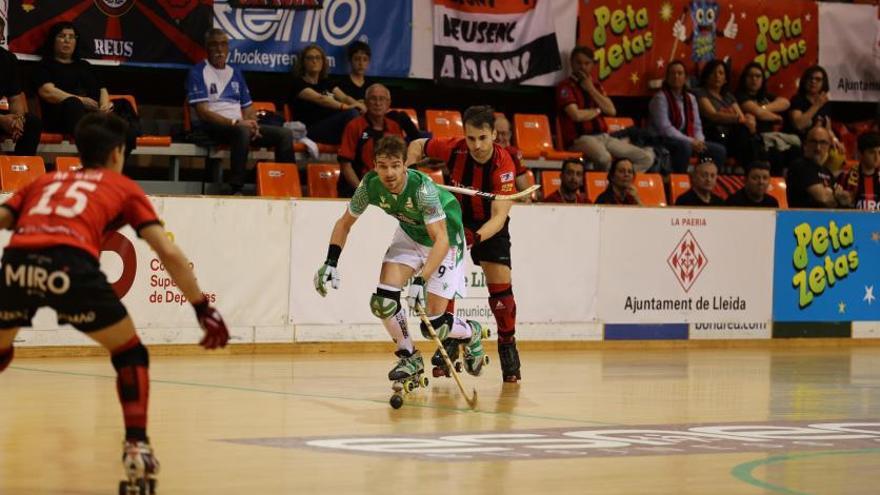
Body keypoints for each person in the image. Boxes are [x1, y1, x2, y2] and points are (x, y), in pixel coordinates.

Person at [0, 113, 229, 490]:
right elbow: (167, 251)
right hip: (70, 267)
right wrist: (202, 307)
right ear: (118, 153)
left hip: (18, 263)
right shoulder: (122, 187)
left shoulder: (45, 180)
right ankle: (136, 447)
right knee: (130, 355)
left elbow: (4, 220)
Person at [314, 135, 487, 385]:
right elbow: (344, 224)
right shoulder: (369, 186)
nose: (389, 173)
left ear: (406, 164)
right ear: (374, 166)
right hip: (410, 235)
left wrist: (421, 279)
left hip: (445, 240)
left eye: (395, 165)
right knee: (383, 301)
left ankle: (471, 332)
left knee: (436, 325)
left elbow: (441, 239)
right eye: (383, 166)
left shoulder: (423, 189)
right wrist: (330, 261)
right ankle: (409, 357)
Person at [406, 105, 522, 383]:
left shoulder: (504, 164)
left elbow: (500, 216)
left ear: (494, 134)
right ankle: (452, 340)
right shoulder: (455, 149)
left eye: (483, 138)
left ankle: (507, 345)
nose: (477, 146)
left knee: (501, 294)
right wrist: (409, 171)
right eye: (471, 138)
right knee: (445, 286)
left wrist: (476, 237)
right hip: (455, 220)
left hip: (489, 229)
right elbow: (418, 145)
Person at [187, 29, 295, 195]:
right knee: (242, 130)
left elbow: (248, 107)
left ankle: (287, 185)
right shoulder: (198, 72)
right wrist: (236, 123)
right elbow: (203, 112)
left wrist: (254, 124)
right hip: (213, 126)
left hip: (238, 127)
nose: (219, 49)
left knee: (285, 134)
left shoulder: (235, 72)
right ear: (206, 47)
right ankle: (236, 187)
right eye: (214, 45)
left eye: (223, 44)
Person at [33, 22, 137, 156]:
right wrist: (81, 101)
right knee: (73, 103)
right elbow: (47, 91)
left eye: (71, 37)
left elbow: (102, 89)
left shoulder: (85, 66)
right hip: (60, 117)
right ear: (53, 40)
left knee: (123, 106)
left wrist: (105, 105)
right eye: (62, 36)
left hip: (93, 115)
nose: (67, 40)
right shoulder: (45, 65)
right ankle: (92, 154)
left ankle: (118, 165)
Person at [556, 46, 653, 172]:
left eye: (587, 63)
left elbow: (611, 110)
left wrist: (590, 89)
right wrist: (597, 111)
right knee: (604, 158)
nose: (582, 67)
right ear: (571, 63)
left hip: (604, 137)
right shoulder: (565, 86)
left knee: (645, 158)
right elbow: (576, 115)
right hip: (580, 139)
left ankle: (621, 182)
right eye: (578, 63)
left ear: (592, 65)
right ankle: (608, 186)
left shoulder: (596, 86)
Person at [649, 60, 726, 172]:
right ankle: (679, 181)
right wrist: (691, 141)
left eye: (680, 73)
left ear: (685, 78)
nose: (676, 76)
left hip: (687, 140)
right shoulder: (660, 98)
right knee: (684, 147)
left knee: (719, 151)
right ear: (667, 77)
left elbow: (697, 125)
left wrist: (699, 141)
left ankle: (706, 179)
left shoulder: (691, 98)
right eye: (672, 73)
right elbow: (665, 128)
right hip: (663, 139)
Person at [336, 84, 405, 197]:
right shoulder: (354, 126)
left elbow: (401, 163)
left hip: (385, 191)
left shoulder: (394, 127)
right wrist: (363, 192)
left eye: (382, 99)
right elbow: (345, 165)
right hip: (355, 191)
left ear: (388, 103)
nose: (378, 103)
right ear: (366, 102)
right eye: (373, 99)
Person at [286, 44, 361, 145]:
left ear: (323, 62)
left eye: (318, 58)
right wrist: (346, 107)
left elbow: (344, 97)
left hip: (331, 128)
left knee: (360, 117)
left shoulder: (326, 83)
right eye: (310, 58)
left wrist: (359, 105)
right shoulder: (298, 84)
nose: (314, 61)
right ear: (303, 62)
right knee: (351, 114)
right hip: (309, 130)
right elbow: (321, 99)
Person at [735, 62, 800, 177]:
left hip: (772, 138)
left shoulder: (765, 97)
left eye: (758, 76)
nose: (754, 79)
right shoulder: (739, 96)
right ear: (745, 78)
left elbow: (785, 103)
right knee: (774, 154)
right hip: (753, 137)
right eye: (750, 76)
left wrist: (763, 108)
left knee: (795, 150)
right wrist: (775, 116)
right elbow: (759, 114)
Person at [694, 59, 761, 169]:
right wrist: (737, 118)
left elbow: (741, 116)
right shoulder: (700, 92)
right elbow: (712, 115)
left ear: (725, 79)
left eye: (721, 73)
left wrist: (748, 121)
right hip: (713, 132)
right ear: (706, 75)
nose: (717, 76)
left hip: (730, 133)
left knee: (751, 135)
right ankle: (745, 168)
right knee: (740, 133)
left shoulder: (728, 96)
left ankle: (751, 170)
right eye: (713, 72)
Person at [786, 65, 846, 174]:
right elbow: (799, 124)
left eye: (818, 79)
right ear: (805, 80)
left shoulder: (826, 103)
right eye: (810, 78)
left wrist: (835, 140)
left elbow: (828, 127)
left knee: (837, 154)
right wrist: (816, 105)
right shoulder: (798, 99)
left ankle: (827, 180)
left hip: (820, 141)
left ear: (823, 83)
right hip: (802, 141)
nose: (813, 81)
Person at [786, 126, 848, 209]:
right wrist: (835, 195)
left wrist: (833, 195)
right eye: (813, 142)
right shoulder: (800, 166)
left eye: (823, 142)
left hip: (824, 220)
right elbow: (823, 198)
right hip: (801, 220)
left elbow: (843, 201)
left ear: (829, 146)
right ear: (805, 144)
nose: (818, 147)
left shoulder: (827, 172)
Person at [0, 45, 41, 156]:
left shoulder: (7, 58)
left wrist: (18, 120)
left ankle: (21, 167)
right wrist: (1, 119)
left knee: (32, 122)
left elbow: (15, 98)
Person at [836, 131, 880, 210]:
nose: (877, 157)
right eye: (872, 152)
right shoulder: (844, 178)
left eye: (879, 152)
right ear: (860, 154)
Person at [493, 114, 534, 199]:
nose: (500, 138)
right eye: (497, 133)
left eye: (503, 134)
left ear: (510, 135)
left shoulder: (514, 154)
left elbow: (524, 190)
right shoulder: (481, 153)